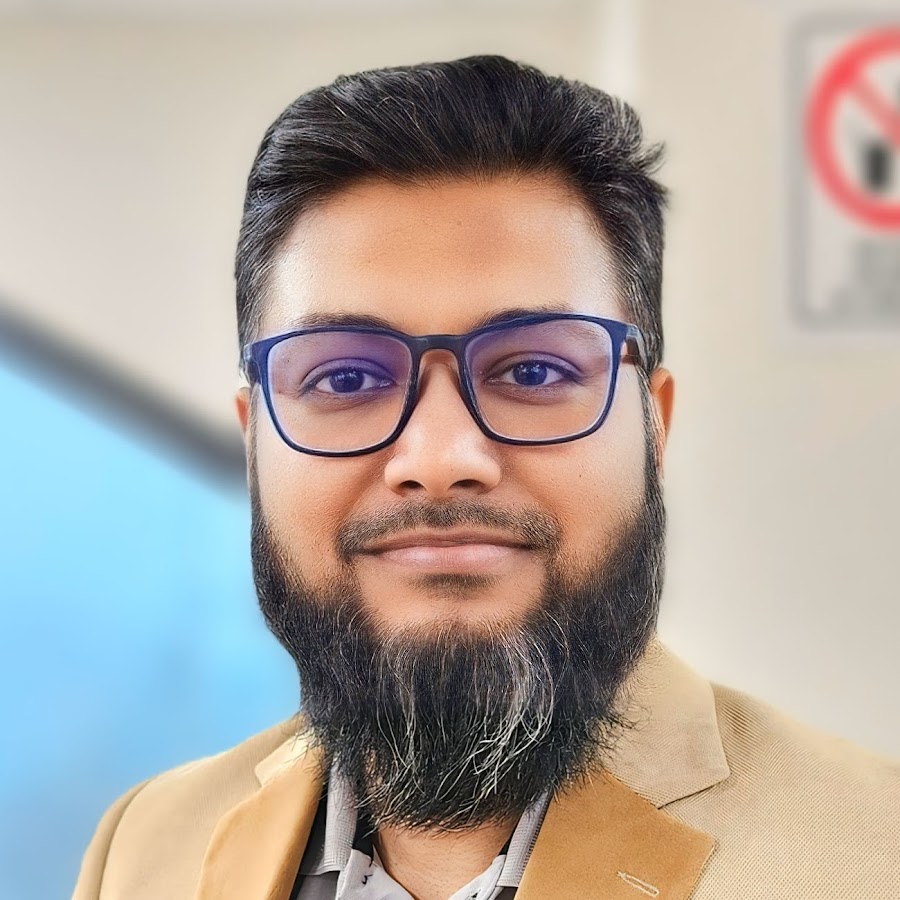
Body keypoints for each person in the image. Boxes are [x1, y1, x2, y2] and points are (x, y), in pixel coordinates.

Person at [73, 55, 898, 900]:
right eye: (345, 378)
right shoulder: (144, 848)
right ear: (255, 442)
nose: (439, 460)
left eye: (535, 371)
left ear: (654, 426)